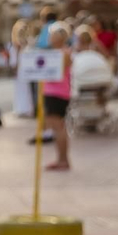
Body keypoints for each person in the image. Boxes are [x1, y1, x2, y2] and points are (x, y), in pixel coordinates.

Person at [41, 22, 73, 170]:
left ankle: (63, 160)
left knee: (58, 126)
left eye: (52, 34)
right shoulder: (57, 52)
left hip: (57, 93)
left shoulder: (63, 53)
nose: (49, 37)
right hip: (53, 92)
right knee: (56, 127)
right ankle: (61, 158)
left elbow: (56, 74)